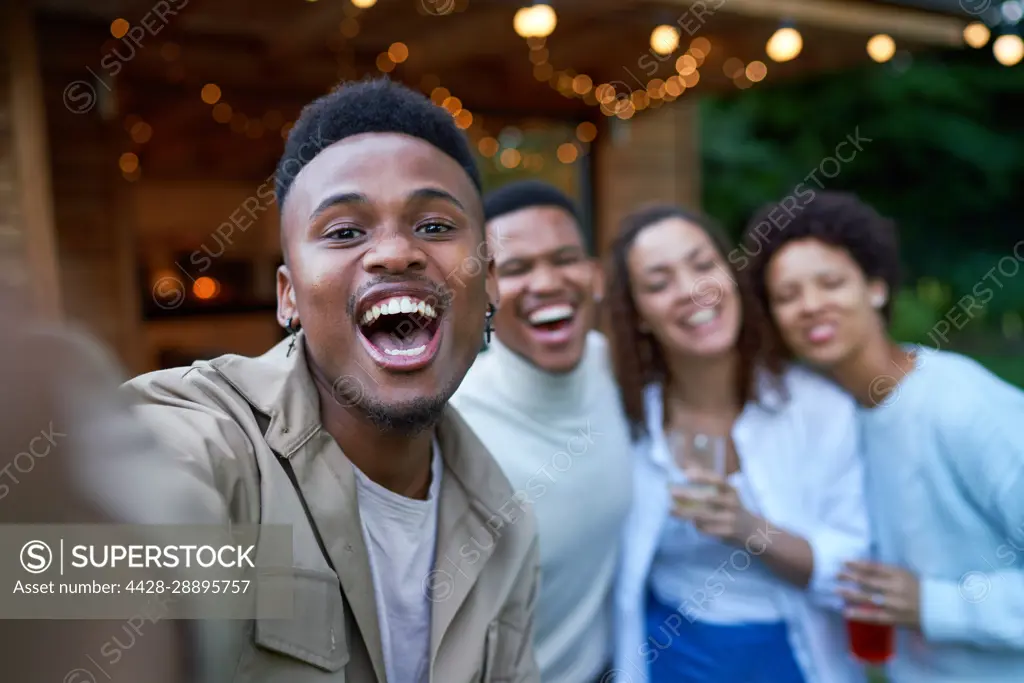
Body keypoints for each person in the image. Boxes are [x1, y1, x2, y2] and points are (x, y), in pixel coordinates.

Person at [121, 78, 541, 683]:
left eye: (435, 227)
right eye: (345, 232)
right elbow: (56, 567)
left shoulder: (507, 527)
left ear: (491, 282)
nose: (395, 253)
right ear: (288, 296)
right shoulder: (216, 445)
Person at [743, 190, 1024, 682]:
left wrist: (936, 603)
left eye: (830, 283)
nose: (809, 306)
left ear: (876, 286)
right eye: (787, 296)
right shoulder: (832, 420)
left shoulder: (962, 406)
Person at [606, 205, 870, 683]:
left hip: (790, 657)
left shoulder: (818, 408)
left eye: (703, 265)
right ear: (639, 315)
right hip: (671, 658)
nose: (693, 289)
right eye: (659, 283)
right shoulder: (625, 419)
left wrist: (749, 529)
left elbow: (854, 569)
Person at [450, 180, 633, 683]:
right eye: (516, 269)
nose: (547, 282)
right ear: (484, 292)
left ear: (594, 276)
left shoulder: (618, 369)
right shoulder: (449, 419)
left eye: (565, 258)